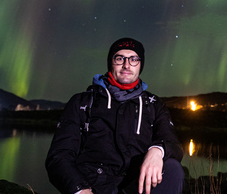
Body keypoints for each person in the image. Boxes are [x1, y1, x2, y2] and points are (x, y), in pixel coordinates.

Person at [46, 37, 185, 194]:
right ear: (110, 62)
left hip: (134, 187)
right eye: (119, 58)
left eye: (133, 59)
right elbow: (58, 157)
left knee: (173, 168)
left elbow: (173, 144)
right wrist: (80, 189)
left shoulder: (153, 104)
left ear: (140, 65)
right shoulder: (82, 102)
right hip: (92, 187)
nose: (126, 65)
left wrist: (157, 151)